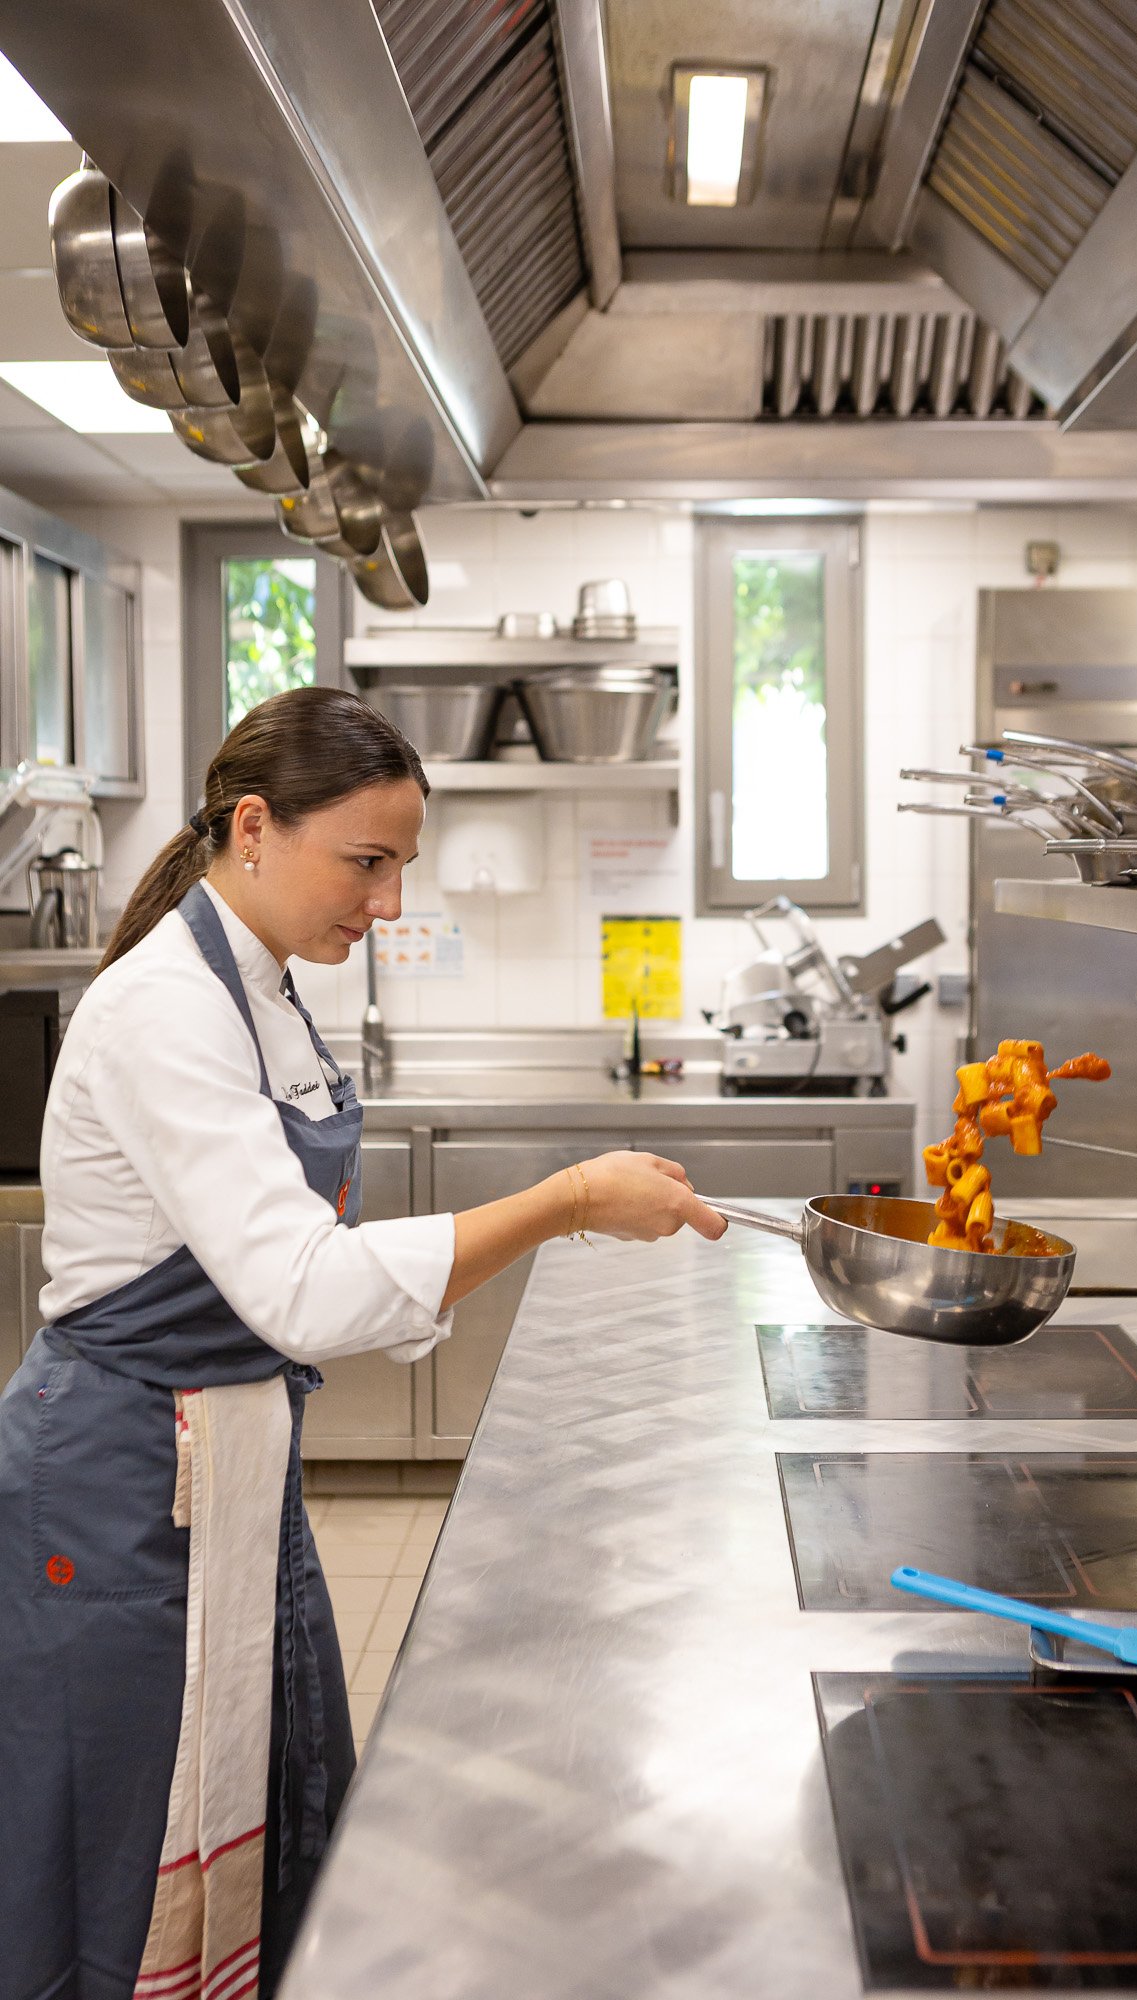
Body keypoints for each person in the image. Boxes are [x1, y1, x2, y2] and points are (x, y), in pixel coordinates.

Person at [0, 684, 726, 2000]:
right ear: (257, 829)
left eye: (400, 869)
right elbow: (305, 1292)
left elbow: (291, 1254)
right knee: (112, 1828)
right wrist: (564, 1201)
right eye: (368, 864)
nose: (386, 907)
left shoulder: (264, 987)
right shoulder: (166, 1007)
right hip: (116, 1481)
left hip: (222, 1459)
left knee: (245, 1791)